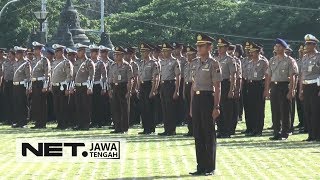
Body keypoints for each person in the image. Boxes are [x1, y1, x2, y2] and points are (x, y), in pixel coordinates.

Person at [189, 33, 222, 176]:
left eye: (201, 46)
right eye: (198, 46)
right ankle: (200, 166)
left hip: (208, 98)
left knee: (208, 133)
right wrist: (191, 106)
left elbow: (218, 86)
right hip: (196, 99)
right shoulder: (195, 63)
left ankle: (210, 167)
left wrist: (216, 107)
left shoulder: (213, 63)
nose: (198, 48)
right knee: (198, 133)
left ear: (209, 47)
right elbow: (193, 85)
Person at [264, 38, 298, 140]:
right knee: (275, 110)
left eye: (279, 46)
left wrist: (291, 90)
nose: (276, 48)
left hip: (284, 86)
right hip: (274, 86)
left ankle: (284, 133)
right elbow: (268, 76)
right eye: (276, 46)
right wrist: (267, 89)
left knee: (285, 111)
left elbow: (293, 76)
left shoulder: (289, 60)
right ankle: (276, 132)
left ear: (284, 48)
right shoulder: (272, 60)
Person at [299, 34, 320, 141]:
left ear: (314, 45)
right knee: (307, 111)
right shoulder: (304, 57)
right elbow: (302, 74)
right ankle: (311, 135)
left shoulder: (319, 56)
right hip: (306, 86)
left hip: (315, 86)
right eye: (306, 44)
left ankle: (317, 135)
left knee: (316, 111)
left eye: (309, 44)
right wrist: (301, 89)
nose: (306, 46)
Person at [215, 38, 237, 138]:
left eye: (221, 47)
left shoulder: (230, 60)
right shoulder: (217, 59)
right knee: (218, 107)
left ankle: (228, 130)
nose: (219, 49)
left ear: (226, 48)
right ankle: (220, 129)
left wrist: (232, 89)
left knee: (226, 109)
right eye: (218, 47)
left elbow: (233, 75)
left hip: (226, 84)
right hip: (218, 85)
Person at [246, 43, 268, 136]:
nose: (251, 53)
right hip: (250, 85)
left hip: (259, 85)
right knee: (251, 108)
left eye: (253, 52)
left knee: (259, 109)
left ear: (258, 52)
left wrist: (266, 89)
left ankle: (259, 130)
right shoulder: (250, 62)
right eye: (250, 52)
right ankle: (253, 128)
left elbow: (267, 76)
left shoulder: (263, 62)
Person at [109, 46, 133, 134]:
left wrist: (129, 91)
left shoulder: (127, 65)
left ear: (122, 55)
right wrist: (110, 89)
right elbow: (110, 78)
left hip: (123, 87)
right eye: (115, 54)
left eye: (118, 55)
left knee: (124, 109)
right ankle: (117, 127)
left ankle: (124, 128)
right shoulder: (113, 65)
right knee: (116, 108)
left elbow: (130, 79)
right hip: (115, 87)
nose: (116, 56)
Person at [158, 42, 181, 136]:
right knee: (164, 108)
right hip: (163, 86)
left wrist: (177, 90)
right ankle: (166, 129)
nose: (164, 53)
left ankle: (172, 130)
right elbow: (160, 75)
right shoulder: (161, 62)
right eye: (163, 51)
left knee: (170, 108)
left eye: (166, 51)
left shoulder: (175, 61)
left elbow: (178, 76)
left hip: (171, 85)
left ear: (170, 51)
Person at [137, 43, 159, 134]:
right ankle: (145, 128)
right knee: (143, 108)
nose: (142, 53)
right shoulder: (141, 63)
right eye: (141, 51)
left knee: (150, 108)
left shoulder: (153, 63)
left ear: (149, 52)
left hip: (149, 85)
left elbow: (155, 78)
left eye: (144, 51)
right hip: (142, 86)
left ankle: (151, 128)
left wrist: (153, 90)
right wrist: (138, 89)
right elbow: (139, 77)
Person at [72, 43, 95, 131]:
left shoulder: (89, 62)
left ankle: (86, 124)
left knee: (86, 106)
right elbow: (73, 76)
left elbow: (91, 76)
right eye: (77, 51)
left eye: (79, 51)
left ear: (83, 51)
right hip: (78, 87)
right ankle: (80, 124)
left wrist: (90, 87)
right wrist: (72, 86)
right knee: (79, 106)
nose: (77, 53)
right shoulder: (77, 62)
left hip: (85, 87)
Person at [50, 44, 73, 130]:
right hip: (55, 86)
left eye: (57, 51)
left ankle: (65, 124)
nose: (55, 53)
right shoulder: (54, 62)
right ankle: (59, 123)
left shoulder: (66, 62)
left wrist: (68, 88)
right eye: (55, 51)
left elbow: (69, 76)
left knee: (63, 106)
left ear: (62, 52)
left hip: (63, 86)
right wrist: (50, 85)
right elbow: (51, 75)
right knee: (57, 106)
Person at [29, 42, 51, 129]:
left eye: (35, 49)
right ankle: (38, 122)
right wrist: (30, 86)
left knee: (42, 104)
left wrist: (45, 86)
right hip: (34, 83)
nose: (34, 51)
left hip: (41, 83)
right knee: (36, 104)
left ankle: (42, 123)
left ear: (40, 50)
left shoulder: (44, 60)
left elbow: (47, 74)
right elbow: (31, 75)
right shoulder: (34, 61)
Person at [12, 46, 31, 128]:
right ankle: (18, 121)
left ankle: (24, 122)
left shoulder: (26, 63)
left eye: (18, 53)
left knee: (23, 104)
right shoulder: (16, 63)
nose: (16, 55)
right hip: (16, 85)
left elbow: (28, 76)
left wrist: (28, 87)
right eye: (16, 53)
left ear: (22, 54)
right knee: (16, 104)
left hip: (22, 85)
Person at [90, 44, 107, 128]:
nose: (92, 54)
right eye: (91, 52)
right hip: (90, 85)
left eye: (94, 52)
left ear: (97, 53)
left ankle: (99, 122)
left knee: (98, 105)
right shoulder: (88, 62)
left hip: (97, 85)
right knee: (91, 104)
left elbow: (104, 76)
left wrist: (103, 88)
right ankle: (93, 121)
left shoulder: (100, 63)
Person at [227, 44, 242, 135]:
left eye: (231, 52)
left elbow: (239, 77)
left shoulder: (236, 61)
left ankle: (232, 127)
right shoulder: (221, 59)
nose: (230, 53)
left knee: (233, 109)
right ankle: (225, 127)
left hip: (233, 85)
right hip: (225, 85)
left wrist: (237, 90)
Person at [183, 45, 197, 136]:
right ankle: (190, 129)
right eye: (187, 55)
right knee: (188, 109)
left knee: (194, 109)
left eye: (190, 55)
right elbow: (184, 79)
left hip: (194, 87)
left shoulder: (197, 64)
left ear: (194, 55)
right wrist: (184, 90)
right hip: (187, 87)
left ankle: (195, 129)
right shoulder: (186, 64)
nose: (188, 57)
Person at [124, 47, 140, 127]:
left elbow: (136, 77)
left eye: (128, 54)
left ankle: (131, 121)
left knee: (132, 106)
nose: (126, 56)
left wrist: (134, 88)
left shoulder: (134, 64)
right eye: (125, 54)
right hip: (123, 87)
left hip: (132, 87)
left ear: (131, 55)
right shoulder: (123, 64)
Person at [173, 42, 187, 126]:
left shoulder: (184, 60)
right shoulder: (172, 59)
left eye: (177, 48)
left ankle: (182, 119)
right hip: (173, 81)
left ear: (181, 49)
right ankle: (176, 119)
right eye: (174, 49)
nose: (175, 50)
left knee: (182, 101)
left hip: (182, 81)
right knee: (174, 102)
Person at [99, 45, 113, 126]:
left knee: (108, 103)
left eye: (104, 52)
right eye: (101, 52)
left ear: (107, 53)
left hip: (108, 85)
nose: (102, 54)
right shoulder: (98, 62)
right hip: (99, 85)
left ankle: (108, 119)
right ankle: (102, 119)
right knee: (100, 103)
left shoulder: (111, 63)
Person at [240, 42, 252, 133]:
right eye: (246, 49)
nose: (247, 51)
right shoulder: (243, 61)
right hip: (245, 83)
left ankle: (257, 128)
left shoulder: (261, 60)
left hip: (255, 84)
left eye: (249, 49)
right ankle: (249, 127)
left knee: (256, 107)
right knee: (247, 107)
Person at [1, 49, 15, 125]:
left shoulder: (16, 63)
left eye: (10, 55)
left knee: (13, 101)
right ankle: (8, 119)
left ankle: (14, 119)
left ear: (14, 55)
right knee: (7, 101)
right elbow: (3, 74)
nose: (9, 56)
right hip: (6, 83)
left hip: (13, 83)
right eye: (8, 55)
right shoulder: (5, 63)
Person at [296, 45, 305, 133]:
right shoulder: (298, 61)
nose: (300, 53)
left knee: (304, 105)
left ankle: (305, 123)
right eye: (300, 52)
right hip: (298, 84)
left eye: (302, 51)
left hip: (305, 83)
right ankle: (301, 121)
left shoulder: (306, 61)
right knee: (299, 105)